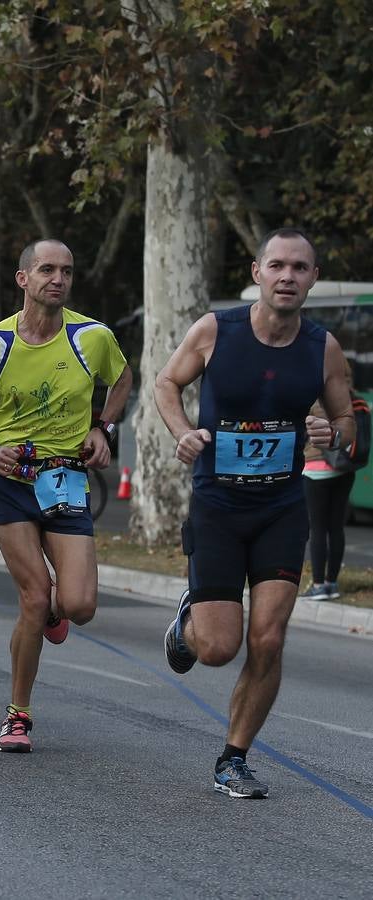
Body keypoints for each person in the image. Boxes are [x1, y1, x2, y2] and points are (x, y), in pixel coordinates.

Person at [155, 228, 352, 799]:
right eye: (277, 266)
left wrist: (330, 432)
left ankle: (233, 759)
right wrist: (183, 431)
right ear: (257, 272)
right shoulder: (217, 330)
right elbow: (168, 382)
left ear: (313, 278)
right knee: (219, 647)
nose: (288, 276)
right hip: (218, 506)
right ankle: (187, 628)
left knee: (268, 640)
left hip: (282, 510)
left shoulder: (324, 347)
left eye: (300, 267)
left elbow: (346, 428)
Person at [0, 238, 131, 753]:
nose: (58, 278)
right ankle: (18, 714)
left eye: (67, 271)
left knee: (78, 605)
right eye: (47, 269)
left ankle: (56, 609)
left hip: (65, 479)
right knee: (33, 598)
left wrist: (104, 428)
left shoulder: (91, 337)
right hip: (8, 484)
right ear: (23, 279)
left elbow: (121, 379)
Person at [299, 358, 357, 601]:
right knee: (336, 527)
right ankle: (332, 583)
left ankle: (319, 585)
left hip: (315, 469)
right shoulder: (350, 396)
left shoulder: (316, 395)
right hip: (344, 469)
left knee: (318, 527)